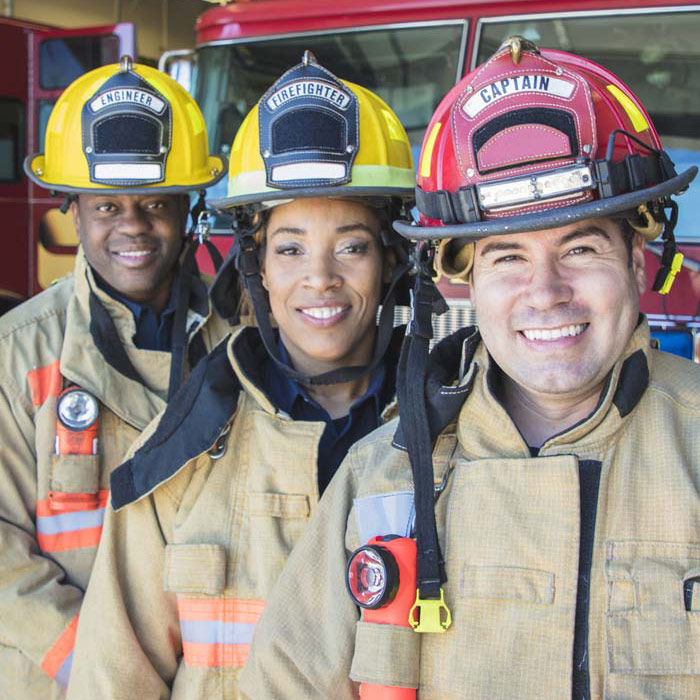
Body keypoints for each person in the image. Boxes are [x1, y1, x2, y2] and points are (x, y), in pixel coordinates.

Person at [238, 38, 700, 700]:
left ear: (636, 261)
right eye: (507, 257)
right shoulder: (383, 476)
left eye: (581, 246)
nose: (545, 292)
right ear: (464, 283)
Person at [65, 53, 417, 699]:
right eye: (289, 249)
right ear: (254, 267)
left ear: (392, 259)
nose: (320, 278)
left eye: (352, 245)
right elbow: (114, 676)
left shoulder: (453, 438)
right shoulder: (181, 456)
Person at [0, 57, 229, 698]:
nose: (133, 224)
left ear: (190, 212)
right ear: (72, 211)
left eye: (156, 203)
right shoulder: (15, 356)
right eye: (108, 207)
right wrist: (100, 670)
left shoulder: (240, 343)